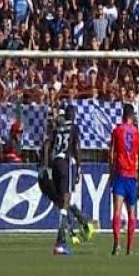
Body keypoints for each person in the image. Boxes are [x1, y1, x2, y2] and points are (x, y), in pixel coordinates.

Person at [42, 105, 94, 255]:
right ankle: (60, 241)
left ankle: (80, 224)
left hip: (55, 163)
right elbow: (76, 148)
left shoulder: (58, 128)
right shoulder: (74, 128)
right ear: (74, 116)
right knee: (65, 202)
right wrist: (78, 167)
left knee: (63, 201)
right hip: (66, 163)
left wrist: (46, 166)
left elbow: (48, 145)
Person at [109, 103, 139, 255]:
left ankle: (117, 244)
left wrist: (111, 173)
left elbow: (111, 155)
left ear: (123, 115)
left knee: (117, 212)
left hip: (120, 175)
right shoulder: (138, 135)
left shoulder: (117, 131)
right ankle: (130, 248)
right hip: (131, 177)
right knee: (131, 213)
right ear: (132, 116)